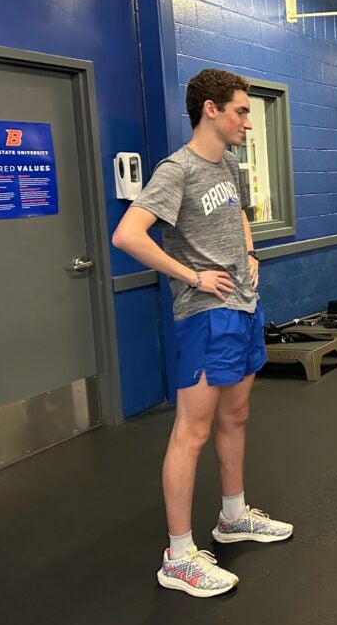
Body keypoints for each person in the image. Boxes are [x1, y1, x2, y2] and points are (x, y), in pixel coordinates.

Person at [112, 69, 292, 598]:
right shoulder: (178, 170)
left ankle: (233, 516)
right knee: (191, 432)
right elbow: (127, 235)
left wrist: (251, 249)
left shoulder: (228, 165)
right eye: (240, 111)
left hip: (243, 307)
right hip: (204, 314)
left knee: (236, 416)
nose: (248, 123)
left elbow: (237, 214)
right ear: (210, 109)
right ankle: (179, 555)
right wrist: (192, 275)